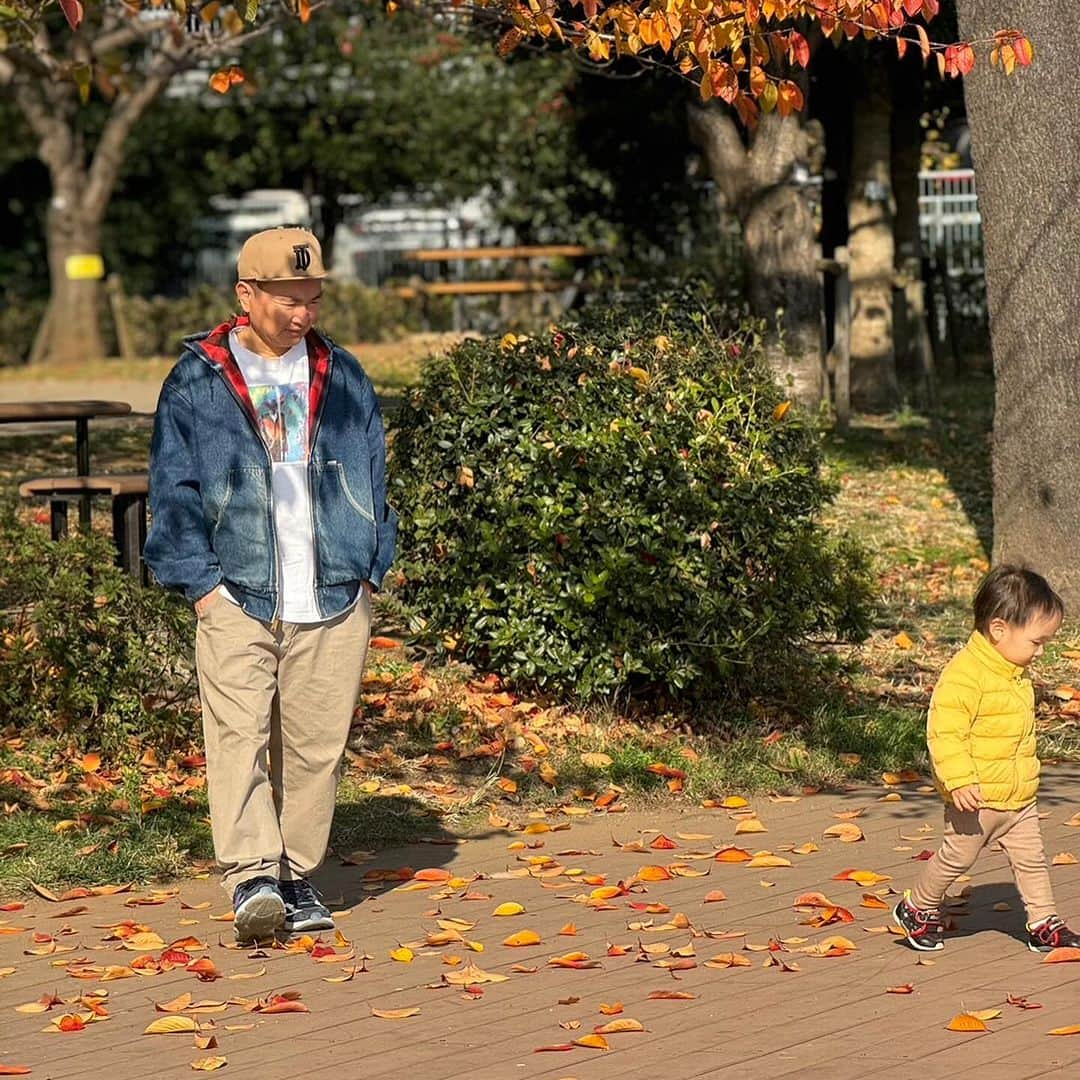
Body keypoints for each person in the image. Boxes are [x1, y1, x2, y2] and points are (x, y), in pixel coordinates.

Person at [145, 226, 397, 943]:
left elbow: (375, 471)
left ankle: (294, 872)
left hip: (333, 586)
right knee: (238, 735)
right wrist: (200, 583)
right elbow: (174, 486)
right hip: (237, 587)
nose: (302, 314)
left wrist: (373, 563)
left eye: (313, 299)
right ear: (246, 295)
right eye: (288, 300)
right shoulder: (197, 378)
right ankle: (253, 873)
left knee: (317, 745)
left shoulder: (341, 374)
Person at [893, 564, 1080, 953]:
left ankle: (1043, 922)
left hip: (1018, 797)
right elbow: (946, 732)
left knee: (1032, 860)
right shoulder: (965, 676)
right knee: (957, 857)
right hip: (975, 797)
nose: (1041, 651)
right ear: (999, 630)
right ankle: (917, 906)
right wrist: (959, 780)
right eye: (1037, 642)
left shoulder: (1013, 671)